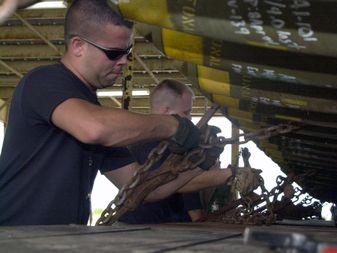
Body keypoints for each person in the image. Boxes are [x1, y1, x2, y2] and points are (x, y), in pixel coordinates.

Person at [0, 0, 203, 226]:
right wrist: (172, 125)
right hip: (14, 237)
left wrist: (198, 164)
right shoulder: (43, 81)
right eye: (114, 53)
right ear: (78, 46)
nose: (124, 61)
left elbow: (142, 188)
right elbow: (95, 128)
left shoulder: (93, 110)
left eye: (127, 52)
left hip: (62, 240)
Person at [105, 79, 261, 223]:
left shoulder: (141, 142)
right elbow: (162, 184)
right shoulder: (155, 145)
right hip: (145, 229)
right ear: (166, 110)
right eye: (186, 112)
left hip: (159, 226)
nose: (190, 118)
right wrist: (231, 174)